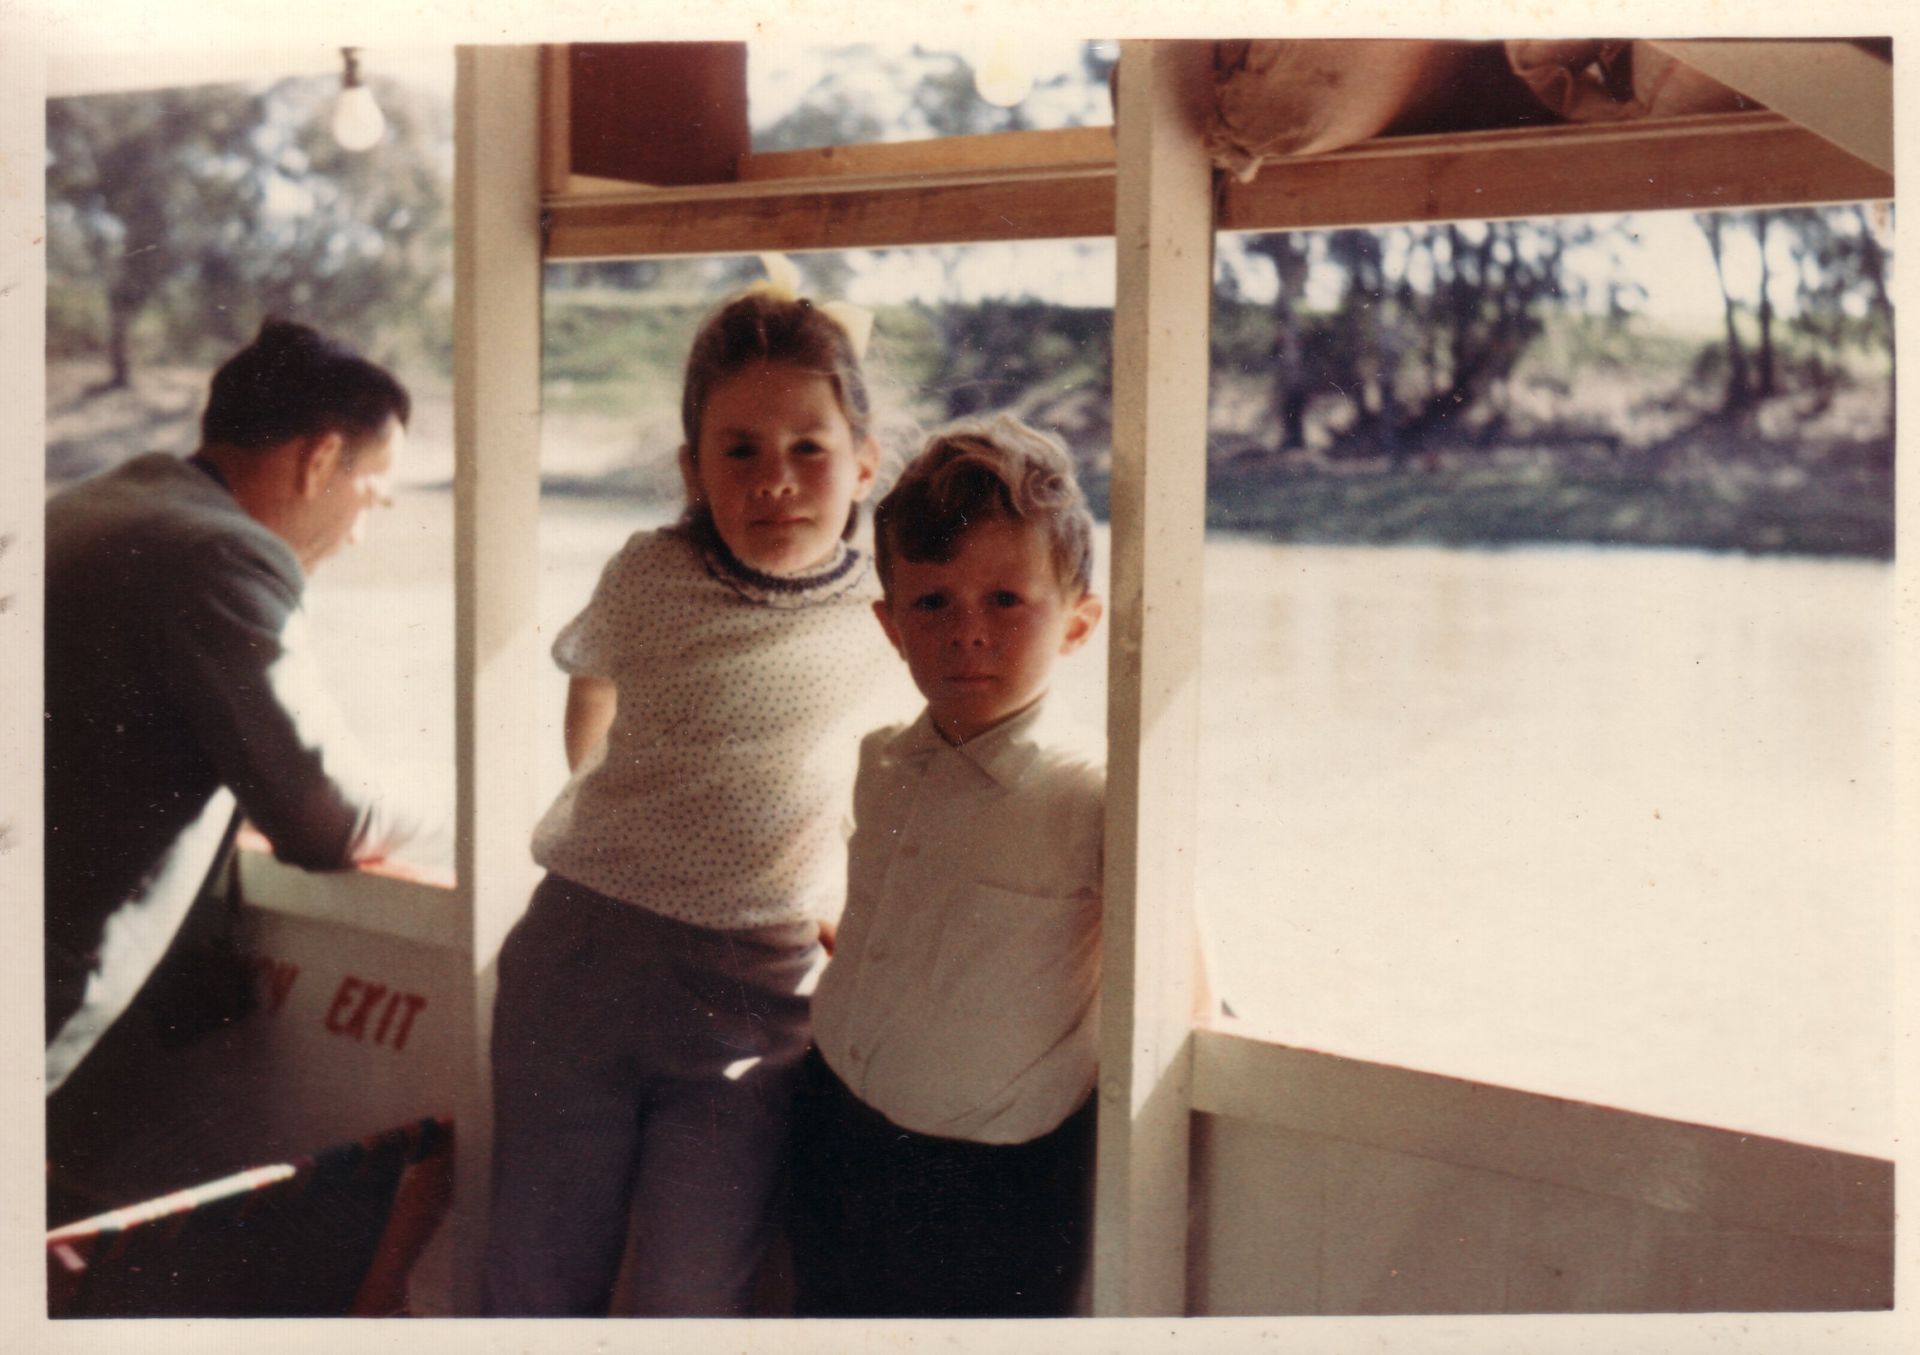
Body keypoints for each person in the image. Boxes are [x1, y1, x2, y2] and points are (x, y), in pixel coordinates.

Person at [483, 281, 913, 1316]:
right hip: (582, 957)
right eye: (739, 450)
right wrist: (599, 789)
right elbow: (592, 677)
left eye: (809, 448)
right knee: (538, 1277)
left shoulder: (896, 607)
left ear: (866, 460)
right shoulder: (647, 571)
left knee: (693, 1292)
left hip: (758, 989)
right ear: (691, 469)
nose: (775, 481)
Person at [44, 318, 429, 1096]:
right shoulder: (221, 554)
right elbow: (329, 819)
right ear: (322, 459)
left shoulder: (90, 502)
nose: (359, 534)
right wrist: (457, 816)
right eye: (373, 497)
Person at [790, 414, 1107, 1317]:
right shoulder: (882, 760)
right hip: (836, 1124)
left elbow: (1180, 992)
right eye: (934, 602)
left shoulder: (1095, 795)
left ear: (1079, 623)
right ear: (891, 625)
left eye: (1006, 600)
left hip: (995, 1183)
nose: (968, 631)